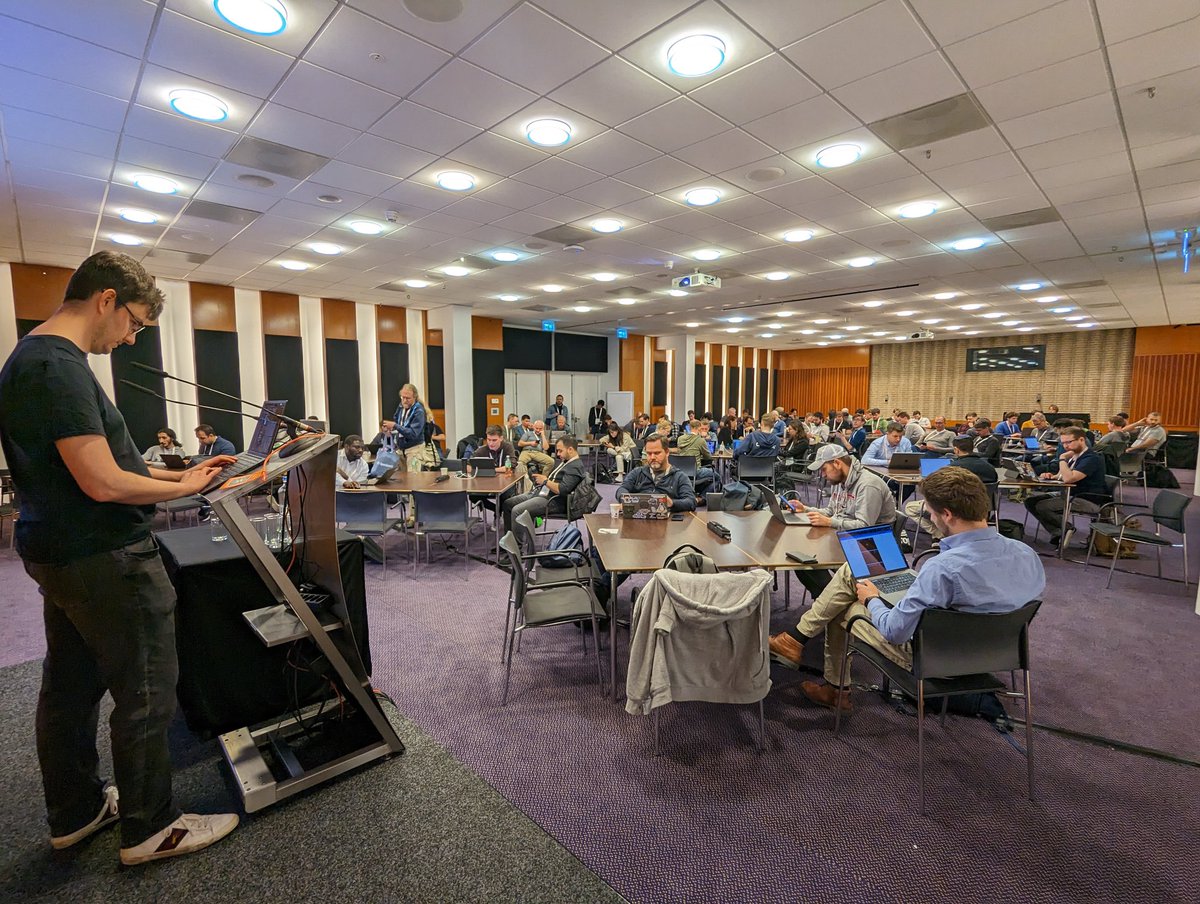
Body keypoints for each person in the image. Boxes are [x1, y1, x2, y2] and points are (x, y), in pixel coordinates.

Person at [0, 251, 239, 865]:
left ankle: (76, 813)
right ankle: (151, 827)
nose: (132, 337)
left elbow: (100, 468)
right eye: (134, 322)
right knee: (147, 690)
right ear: (105, 298)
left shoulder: (32, 357)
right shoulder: (59, 367)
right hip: (105, 556)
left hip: (61, 552)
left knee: (72, 686)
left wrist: (174, 474)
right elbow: (102, 482)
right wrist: (186, 489)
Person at [769, 467, 1045, 709]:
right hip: (997, 653)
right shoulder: (1026, 555)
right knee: (858, 573)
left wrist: (872, 600)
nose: (930, 519)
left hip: (937, 660)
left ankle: (830, 684)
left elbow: (895, 631)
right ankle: (796, 640)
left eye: (931, 514)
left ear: (947, 514)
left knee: (844, 610)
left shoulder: (942, 568)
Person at [784, 445, 897, 596]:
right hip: (845, 538)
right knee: (802, 560)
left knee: (809, 564)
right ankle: (829, 598)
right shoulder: (839, 481)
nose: (822, 475)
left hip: (871, 546)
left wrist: (831, 522)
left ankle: (832, 599)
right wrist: (805, 509)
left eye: (824, 469)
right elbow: (831, 512)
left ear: (837, 463)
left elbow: (864, 526)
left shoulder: (868, 485)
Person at [1023, 425, 1112, 545]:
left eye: (1069, 442)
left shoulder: (1091, 458)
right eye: (1063, 443)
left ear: (1081, 440)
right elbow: (1062, 475)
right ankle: (1059, 531)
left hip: (1087, 498)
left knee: (1043, 506)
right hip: (1070, 493)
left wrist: (1062, 458)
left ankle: (1067, 528)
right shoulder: (1075, 455)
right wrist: (1050, 476)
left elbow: (1069, 478)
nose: (1065, 446)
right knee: (1030, 501)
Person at [904, 435, 998, 539]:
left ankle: (939, 535)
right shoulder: (990, 468)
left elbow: (938, 491)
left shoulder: (951, 469)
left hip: (953, 508)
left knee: (910, 508)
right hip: (982, 508)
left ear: (956, 450)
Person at [502, 435, 586, 533]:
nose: (558, 454)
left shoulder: (575, 467)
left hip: (553, 501)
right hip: (542, 493)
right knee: (508, 504)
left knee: (517, 510)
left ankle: (517, 546)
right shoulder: (567, 461)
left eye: (560, 451)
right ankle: (510, 538)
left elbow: (562, 490)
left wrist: (545, 481)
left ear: (570, 449)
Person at [617, 433, 696, 512]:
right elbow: (622, 489)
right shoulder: (637, 473)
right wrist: (625, 498)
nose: (652, 457)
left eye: (657, 453)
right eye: (649, 453)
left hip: (667, 521)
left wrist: (672, 503)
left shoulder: (679, 477)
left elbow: (691, 502)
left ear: (667, 452)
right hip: (638, 520)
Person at [391, 383, 433, 472]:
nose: (405, 400)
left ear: (415, 397)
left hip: (414, 449)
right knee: (400, 480)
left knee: (413, 480)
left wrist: (395, 426)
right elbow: (396, 419)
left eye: (408, 398)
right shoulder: (401, 406)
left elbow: (413, 433)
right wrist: (391, 427)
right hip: (401, 448)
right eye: (403, 397)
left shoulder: (419, 411)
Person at [672, 419, 717, 497]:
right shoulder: (700, 440)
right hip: (696, 471)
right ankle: (701, 497)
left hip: (680, 471)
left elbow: (680, 451)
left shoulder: (680, 439)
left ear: (689, 427)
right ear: (699, 428)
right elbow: (708, 457)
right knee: (717, 477)